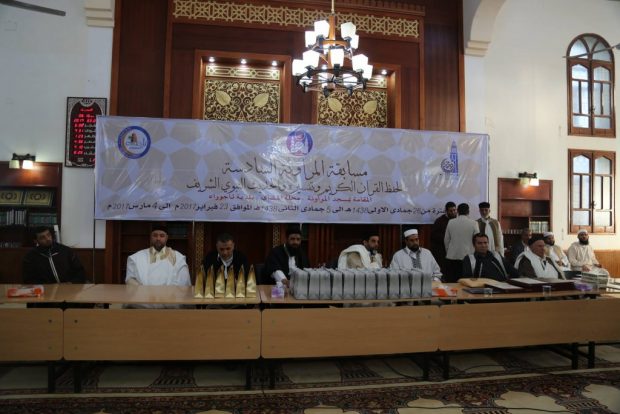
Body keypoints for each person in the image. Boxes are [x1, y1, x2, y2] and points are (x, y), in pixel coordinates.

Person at [125, 224, 191, 287]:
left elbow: (184, 282)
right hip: (144, 294)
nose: (158, 238)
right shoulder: (137, 257)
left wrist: (169, 292)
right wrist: (143, 291)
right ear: (151, 237)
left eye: (162, 236)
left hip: (170, 294)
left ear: (167, 238)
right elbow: (130, 279)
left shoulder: (178, 257)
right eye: (155, 235)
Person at [22, 226, 87, 284]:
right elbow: (28, 279)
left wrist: (71, 283)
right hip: (46, 290)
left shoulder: (66, 251)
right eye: (42, 237)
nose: (48, 239)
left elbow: (80, 272)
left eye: (48, 235)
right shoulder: (30, 257)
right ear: (35, 241)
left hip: (69, 288)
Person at [443, 203, 479, 282]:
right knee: (466, 282)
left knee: (452, 282)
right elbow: (477, 240)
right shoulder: (474, 223)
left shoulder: (451, 222)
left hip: (452, 257)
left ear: (457, 211)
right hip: (468, 257)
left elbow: (446, 240)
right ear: (468, 211)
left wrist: (449, 252)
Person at [430, 201, 457, 275]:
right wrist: (447, 238)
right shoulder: (439, 221)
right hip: (442, 252)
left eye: (454, 210)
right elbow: (434, 236)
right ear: (446, 211)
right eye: (451, 211)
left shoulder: (457, 220)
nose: (453, 212)